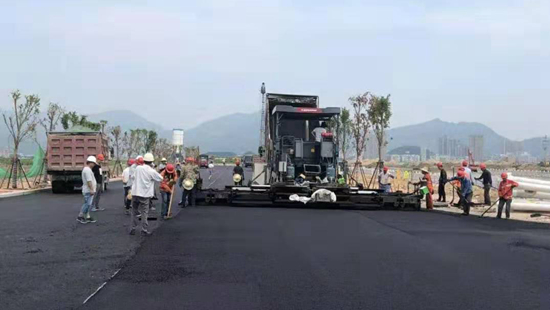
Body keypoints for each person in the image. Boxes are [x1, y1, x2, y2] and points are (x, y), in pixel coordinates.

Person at [130, 153, 162, 236]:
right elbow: (160, 178)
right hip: (145, 195)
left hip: (135, 193)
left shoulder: (138, 168)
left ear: (143, 160)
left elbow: (133, 177)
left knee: (134, 211)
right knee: (144, 212)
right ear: (151, 162)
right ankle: (144, 229)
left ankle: (133, 228)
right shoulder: (151, 171)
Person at [77, 156, 98, 224]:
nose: (94, 165)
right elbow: (89, 181)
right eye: (94, 163)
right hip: (88, 190)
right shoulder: (87, 170)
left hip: (88, 190)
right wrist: (91, 189)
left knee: (88, 204)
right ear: (90, 163)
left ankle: (87, 217)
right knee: (87, 204)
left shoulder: (87, 169)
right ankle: (80, 217)